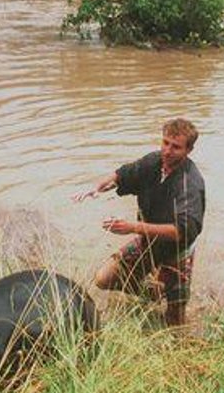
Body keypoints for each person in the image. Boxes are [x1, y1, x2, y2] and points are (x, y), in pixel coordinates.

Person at [73, 118, 205, 326]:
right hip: (147, 242)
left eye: (176, 147)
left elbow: (182, 231)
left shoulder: (190, 183)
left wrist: (132, 227)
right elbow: (123, 175)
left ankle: (170, 310)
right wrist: (97, 188)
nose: (168, 151)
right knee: (103, 279)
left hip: (177, 252)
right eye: (165, 142)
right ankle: (154, 293)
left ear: (188, 150)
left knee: (174, 320)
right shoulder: (154, 161)